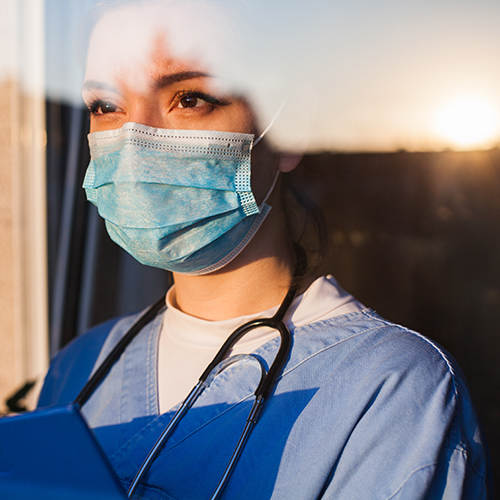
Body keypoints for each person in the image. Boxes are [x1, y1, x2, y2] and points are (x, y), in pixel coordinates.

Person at [38, 1, 492, 498]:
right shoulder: (78, 370)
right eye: (106, 106)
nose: (135, 140)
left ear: (292, 125)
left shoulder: (392, 390)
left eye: (190, 98)